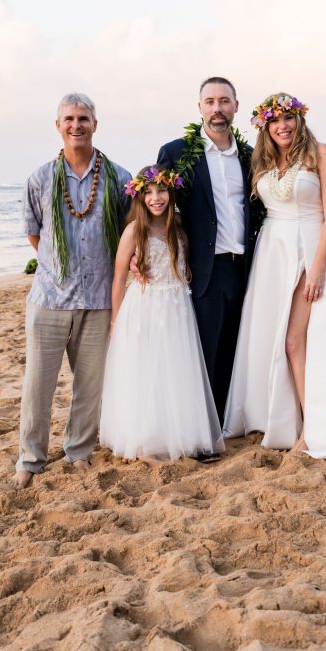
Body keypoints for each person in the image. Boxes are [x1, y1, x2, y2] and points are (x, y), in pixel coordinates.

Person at [223, 93, 326, 459]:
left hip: (308, 249)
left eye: (289, 119)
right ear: (265, 126)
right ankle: (283, 416)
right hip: (272, 254)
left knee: (295, 341)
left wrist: (318, 267)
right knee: (274, 340)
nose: (283, 126)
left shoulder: (320, 153)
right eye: (275, 121)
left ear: (300, 120)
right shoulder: (264, 160)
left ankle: (310, 426)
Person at [12, 93, 131, 489]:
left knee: (90, 386)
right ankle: (30, 459)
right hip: (49, 299)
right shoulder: (40, 179)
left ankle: (79, 451)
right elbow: (35, 234)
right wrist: (59, 267)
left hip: (98, 299)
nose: (76, 125)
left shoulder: (118, 177)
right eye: (69, 119)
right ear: (58, 126)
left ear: (95, 124)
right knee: (38, 386)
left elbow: (131, 233)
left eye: (83, 118)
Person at [99, 166, 224, 463]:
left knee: (177, 371)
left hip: (178, 306)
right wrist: (115, 321)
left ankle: (181, 437)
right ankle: (143, 444)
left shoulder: (178, 225)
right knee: (148, 371)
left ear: (171, 192)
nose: (156, 198)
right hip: (146, 307)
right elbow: (119, 277)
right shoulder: (134, 231)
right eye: (149, 193)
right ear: (139, 197)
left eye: (162, 191)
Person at [157, 77, 258, 422]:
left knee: (235, 346)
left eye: (225, 101)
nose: (218, 109)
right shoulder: (176, 153)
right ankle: (203, 426)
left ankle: (228, 421)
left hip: (245, 267)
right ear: (199, 107)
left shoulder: (250, 155)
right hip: (204, 270)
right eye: (210, 101)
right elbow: (159, 210)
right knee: (205, 350)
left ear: (236, 107)